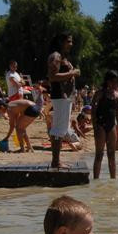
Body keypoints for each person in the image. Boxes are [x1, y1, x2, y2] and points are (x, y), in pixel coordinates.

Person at [47, 33, 79, 169]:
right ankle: (56, 162)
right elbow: (52, 77)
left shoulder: (61, 57)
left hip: (65, 97)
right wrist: (72, 73)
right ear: (61, 42)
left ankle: (57, 161)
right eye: (68, 41)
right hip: (60, 96)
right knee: (58, 129)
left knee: (62, 128)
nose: (71, 44)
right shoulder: (56, 56)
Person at [91, 70, 118, 179]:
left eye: (116, 82)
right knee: (99, 154)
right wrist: (95, 127)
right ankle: (96, 180)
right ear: (107, 81)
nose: (115, 84)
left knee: (112, 155)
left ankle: (113, 181)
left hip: (111, 126)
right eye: (113, 81)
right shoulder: (99, 94)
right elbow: (93, 111)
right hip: (100, 125)